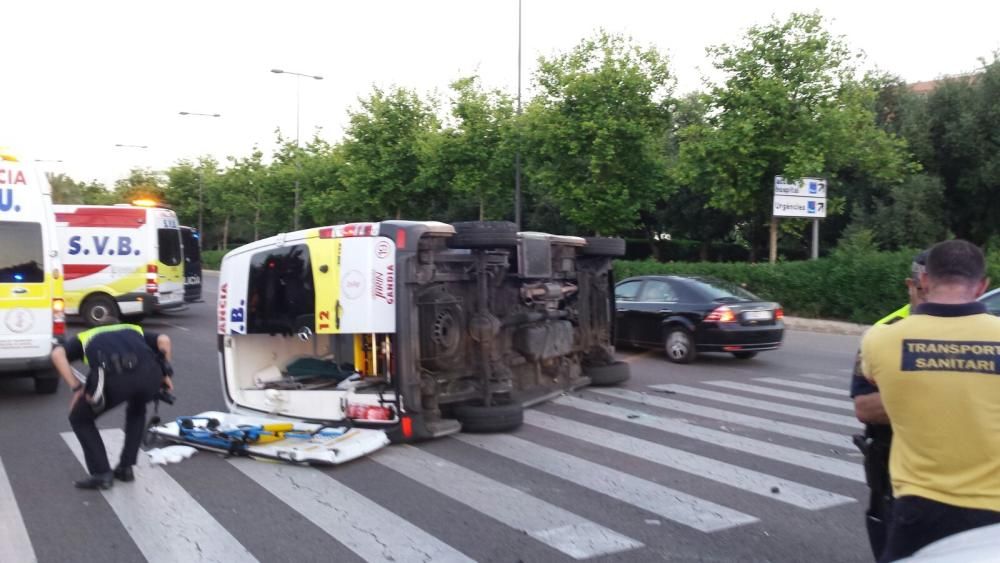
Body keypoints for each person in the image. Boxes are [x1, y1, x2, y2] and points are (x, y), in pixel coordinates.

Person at [860, 240, 1000, 561]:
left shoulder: (880, 339)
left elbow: (870, 389)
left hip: (918, 508)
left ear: (924, 281)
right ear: (982, 286)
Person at [849, 250, 928, 559]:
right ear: (911, 285)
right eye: (922, 289)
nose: (928, 296)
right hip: (894, 466)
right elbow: (865, 408)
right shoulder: (884, 332)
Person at [51, 323, 174, 489]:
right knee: (137, 410)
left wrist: (77, 388)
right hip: (149, 376)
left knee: (80, 418)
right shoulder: (133, 329)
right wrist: (165, 374)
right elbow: (164, 340)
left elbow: (57, 355)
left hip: (114, 379)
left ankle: (102, 474)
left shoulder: (86, 336)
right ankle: (126, 468)